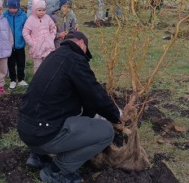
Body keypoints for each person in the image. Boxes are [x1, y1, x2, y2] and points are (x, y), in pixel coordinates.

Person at [17, 31, 121, 183]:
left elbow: (83, 97)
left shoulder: (53, 57)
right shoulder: (75, 60)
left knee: (58, 112)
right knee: (106, 131)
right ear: (81, 43)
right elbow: (94, 94)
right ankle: (57, 171)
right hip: (44, 133)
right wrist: (116, 116)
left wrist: (91, 114)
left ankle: (37, 156)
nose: (85, 56)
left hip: (26, 129)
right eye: (86, 50)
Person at [23, 0, 56, 73]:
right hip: (37, 48)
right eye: (39, 10)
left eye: (43, 10)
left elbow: (53, 27)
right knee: (38, 67)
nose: (42, 12)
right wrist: (32, 43)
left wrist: (51, 38)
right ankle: (37, 82)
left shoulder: (47, 18)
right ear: (34, 9)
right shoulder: (30, 20)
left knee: (47, 65)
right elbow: (25, 32)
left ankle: (47, 81)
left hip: (48, 47)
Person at [3, 0, 29, 90]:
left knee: (21, 62)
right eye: (10, 7)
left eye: (14, 8)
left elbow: (26, 28)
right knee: (11, 63)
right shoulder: (5, 15)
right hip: (9, 45)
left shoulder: (23, 16)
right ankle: (12, 80)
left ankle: (21, 79)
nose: (12, 10)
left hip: (20, 44)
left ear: (18, 6)